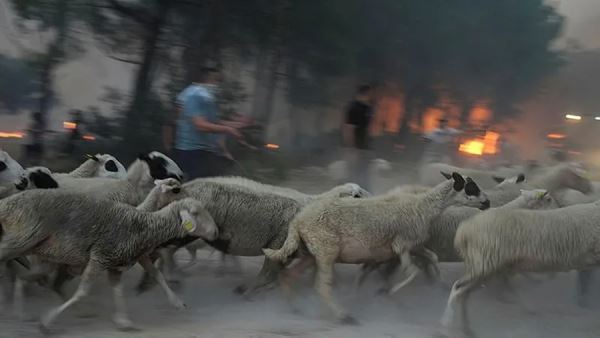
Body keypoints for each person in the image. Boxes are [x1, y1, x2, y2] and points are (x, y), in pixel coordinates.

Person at [172, 67, 246, 180]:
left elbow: (213, 122)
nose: (218, 84)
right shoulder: (193, 95)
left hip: (207, 151)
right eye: (216, 80)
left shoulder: (208, 99)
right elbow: (200, 125)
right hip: (192, 151)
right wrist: (228, 129)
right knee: (197, 189)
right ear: (205, 79)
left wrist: (235, 125)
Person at [343, 84, 375, 190]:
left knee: (365, 175)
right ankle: (352, 196)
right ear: (365, 93)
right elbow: (349, 129)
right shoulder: (353, 108)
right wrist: (351, 148)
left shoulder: (368, 108)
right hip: (356, 148)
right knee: (354, 175)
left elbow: (368, 128)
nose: (372, 96)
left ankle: (366, 195)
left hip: (365, 148)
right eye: (370, 93)